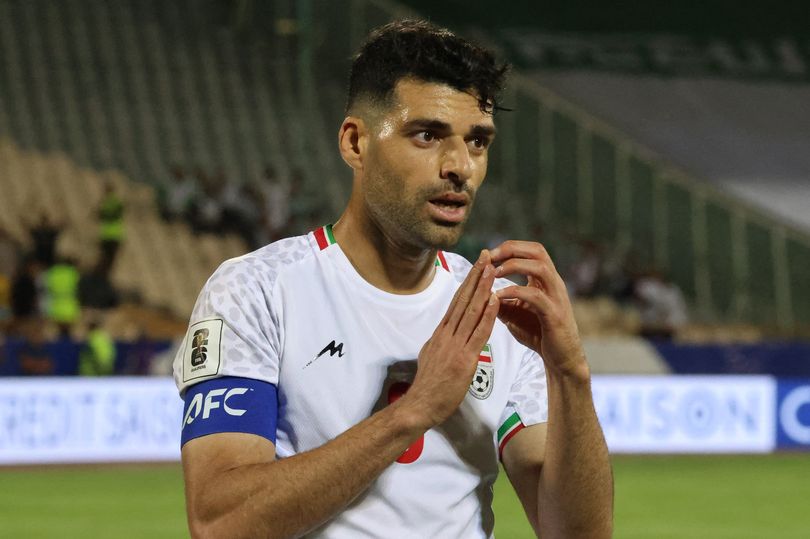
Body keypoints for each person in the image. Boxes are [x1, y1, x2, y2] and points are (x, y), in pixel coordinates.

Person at [174, 19, 612, 538]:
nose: (460, 167)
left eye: (477, 141)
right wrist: (416, 409)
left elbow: (578, 535)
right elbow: (219, 522)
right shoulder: (256, 291)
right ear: (356, 143)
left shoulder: (498, 309)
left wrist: (571, 374)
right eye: (427, 135)